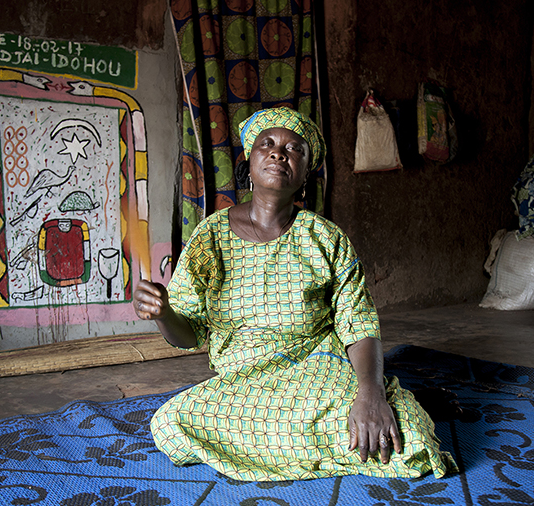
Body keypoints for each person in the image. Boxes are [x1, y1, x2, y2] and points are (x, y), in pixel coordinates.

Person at [133, 107, 456, 481]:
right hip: (244, 384)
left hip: (318, 373)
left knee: (409, 439)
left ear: (304, 175)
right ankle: (325, 439)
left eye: (293, 149)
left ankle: (364, 409)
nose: (278, 153)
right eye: (267, 144)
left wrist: (369, 394)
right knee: (170, 424)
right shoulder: (210, 237)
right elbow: (188, 335)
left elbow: (359, 326)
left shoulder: (326, 239)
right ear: (249, 164)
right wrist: (164, 315)